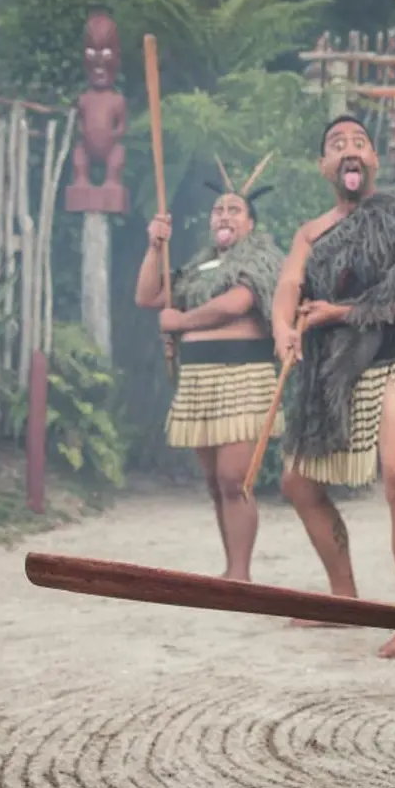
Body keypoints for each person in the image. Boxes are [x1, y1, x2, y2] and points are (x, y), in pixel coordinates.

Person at [272, 115, 395, 659]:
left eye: (360, 143)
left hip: (392, 360)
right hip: (332, 371)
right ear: (325, 166)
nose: (349, 150)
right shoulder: (312, 231)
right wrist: (283, 330)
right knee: (298, 483)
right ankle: (343, 597)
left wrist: (338, 313)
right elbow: (287, 286)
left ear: (374, 160)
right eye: (336, 145)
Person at [135, 159, 285, 582]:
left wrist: (180, 323)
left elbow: (237, 303)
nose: (224, 215)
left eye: (234, 210)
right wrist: (155, 247)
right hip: (199, 380)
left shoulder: (262, 258)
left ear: (250, 224)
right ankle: (230, 569)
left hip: (242, 377)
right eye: (219, 210)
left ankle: (240, 574)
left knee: (234, 478)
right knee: (214, 482)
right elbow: (149, 296)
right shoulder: (199, 265)